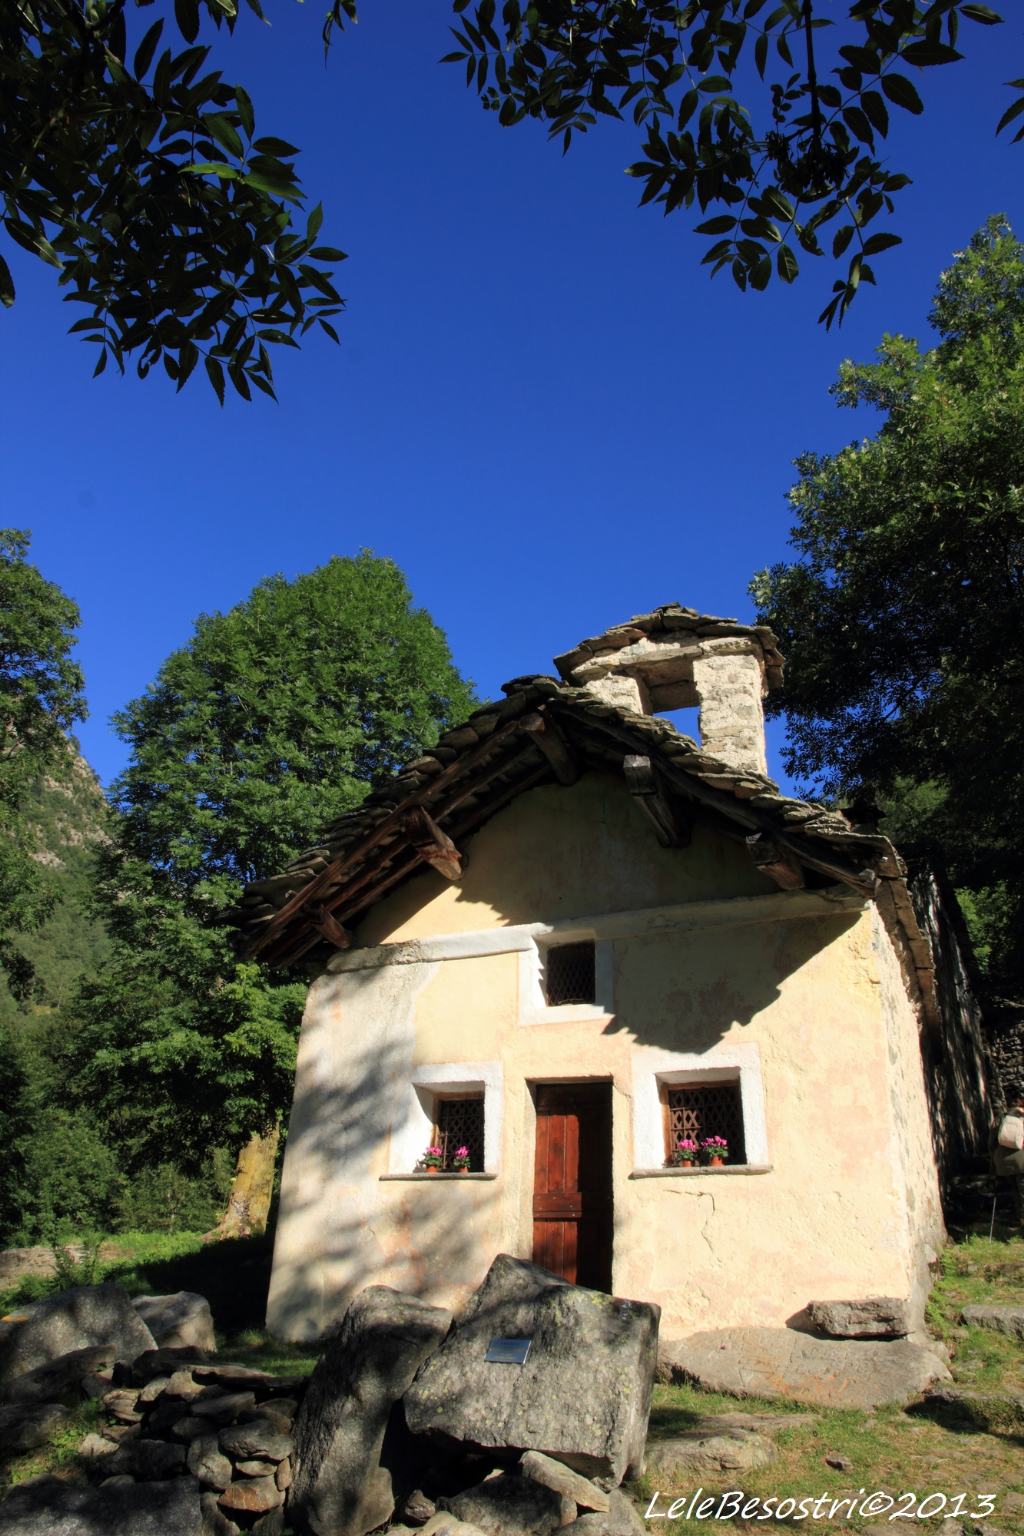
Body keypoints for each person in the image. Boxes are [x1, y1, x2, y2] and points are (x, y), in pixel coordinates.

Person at [993, 1085, 1024, 1226]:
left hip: (1005, 1162)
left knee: (1016, 1192)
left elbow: (991, 1142)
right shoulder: (1022, 1118)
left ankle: (1021, 1219)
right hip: (1021, 1161)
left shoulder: (1001, 1118)